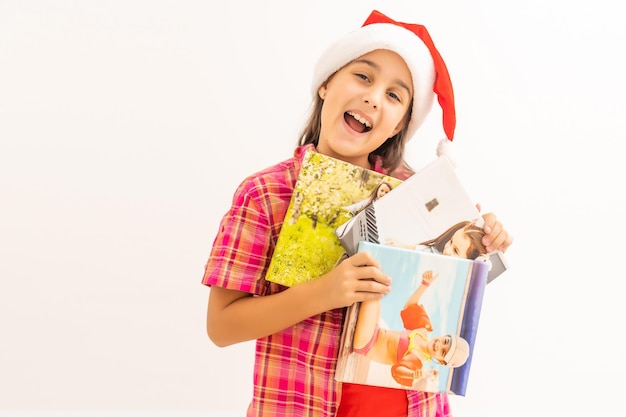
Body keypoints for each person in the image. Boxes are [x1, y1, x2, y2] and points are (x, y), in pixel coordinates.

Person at [202, 9, 513, 417]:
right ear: (327, 84)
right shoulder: (266, 194)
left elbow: (447, 300)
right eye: (363, 76)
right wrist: (325, 292)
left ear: (399, 125)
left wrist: (484, 242)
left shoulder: (419, 197)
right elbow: (221, 327)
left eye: (394, 95)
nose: (373, 97)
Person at [353, 267, 470, 390]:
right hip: (376, 329)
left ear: (441, 361)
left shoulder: (417, 360)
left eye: (443, 352)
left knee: (372, 288)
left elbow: (397, 370)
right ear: (445, 336)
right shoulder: (423, 331)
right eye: (445, 341)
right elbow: (409, 307)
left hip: (367, 343)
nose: (439, 345)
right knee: (377, 280)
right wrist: (425, 284)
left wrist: (412, 374)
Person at [385, 220, 488, 260]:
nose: (447, 250)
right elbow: (411, 248)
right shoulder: (434, 252)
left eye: (456, 251)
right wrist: (399, 245)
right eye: (451, 241)